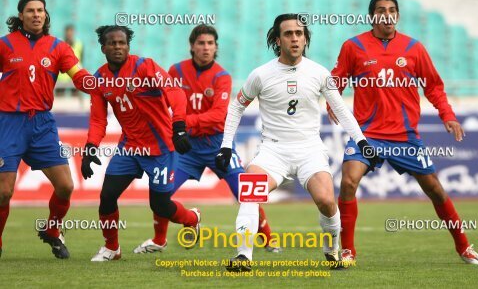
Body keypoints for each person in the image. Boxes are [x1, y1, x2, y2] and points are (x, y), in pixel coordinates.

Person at [329, 0, 478, 266]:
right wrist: (333, 102)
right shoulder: (353, 47)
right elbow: (335, 80)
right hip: (366, 135)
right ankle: (348, 251)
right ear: (372, 17)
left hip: (405, 137)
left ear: (397, 16)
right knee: (347, 183)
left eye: (392, 10)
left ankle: (464, 247)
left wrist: (447, 115)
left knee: (435, 190)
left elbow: (434, 86)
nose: (387, 15)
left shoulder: (414, 49)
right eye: (381, 11)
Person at [215, 14, 380, 272]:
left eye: (299, 34)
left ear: (305, 39)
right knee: (249, 192)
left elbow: (342, 110)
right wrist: (226, 145)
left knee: (327, 201)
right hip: (272, 151)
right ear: (278, 39)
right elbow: (236, 108)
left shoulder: (319, 73)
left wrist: (362, 141)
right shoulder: (261, 75)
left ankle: (331, 250)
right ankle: (243, 257)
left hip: (309, 151)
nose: (295, 38)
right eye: (289, 34)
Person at [133, 25, 280, 254]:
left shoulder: (222, 76)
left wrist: (183, 123)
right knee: (162, 192)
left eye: (210, 44)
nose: (206, 48)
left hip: (217, 144)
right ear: (192, 46)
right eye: (201, 43)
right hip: (186, 148)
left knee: (246, 191)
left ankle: (269, 240)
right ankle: (159, 240)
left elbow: (219, 116)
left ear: (216, 47)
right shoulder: (176, 71)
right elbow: (165, 103)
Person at [81, 25, 199, 261]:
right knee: (107, 196)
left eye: (122, 43)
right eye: (112, 43)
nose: (117, 47)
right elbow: (98, 119)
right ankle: (112, 248)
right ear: (103, 47)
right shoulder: (99, 79)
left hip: (161, 148)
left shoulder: (145, 67)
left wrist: (179, 126)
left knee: (160, 206)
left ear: (128, 46)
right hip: (130, 147)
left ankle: (192, 219)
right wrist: (90, 147)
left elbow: (175, 92)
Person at [0, 0, 96, 259]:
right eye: (30, 11)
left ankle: (53, 230)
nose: (36, 15)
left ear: (45, 14)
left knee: (65, 186)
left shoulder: (58, 47)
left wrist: (100, 86)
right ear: (21, 16)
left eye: (40, 10)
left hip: (42, 124)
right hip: (8, 123)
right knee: (3, 192)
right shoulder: (5, 45)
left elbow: (79, 76)